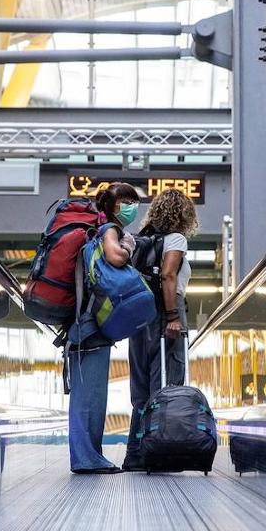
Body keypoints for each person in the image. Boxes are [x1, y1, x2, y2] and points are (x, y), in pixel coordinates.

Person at [66, 182, 139, 474]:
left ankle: (89, 455)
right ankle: (86, 458)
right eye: (128, 201)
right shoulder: (109, 229)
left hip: (84, 322)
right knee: (89, 395)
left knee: (90, 394)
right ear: (113, 205)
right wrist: (126, 249)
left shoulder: (97, 229)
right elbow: (114, 256)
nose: (133, 207)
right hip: (90, 325)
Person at [122, 188, 197, 471]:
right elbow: (168, 275)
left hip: (138, 315)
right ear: (183, 215)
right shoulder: (175, 239)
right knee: (165, 384)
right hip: (166, 313)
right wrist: (173, 316)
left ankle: (135, 454)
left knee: (141, 390)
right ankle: (158, 452)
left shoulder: (139, 243)